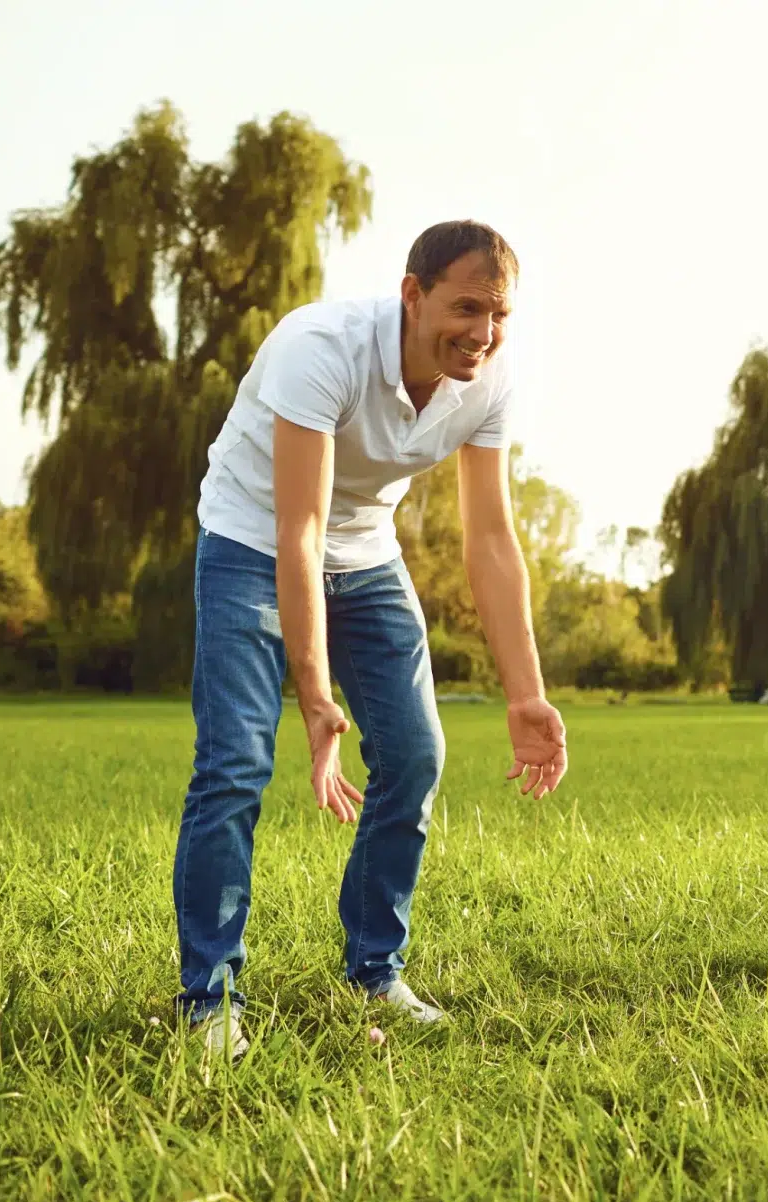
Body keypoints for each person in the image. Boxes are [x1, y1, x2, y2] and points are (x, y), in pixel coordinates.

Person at [174, 220, 569, 1062]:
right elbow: (300, 528)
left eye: (499, 315)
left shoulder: (487, 379)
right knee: (238, 762)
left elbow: (492, 538)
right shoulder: (319, 347)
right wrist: (314, 693)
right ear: (412, 294)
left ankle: (372, 969)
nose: (482, 333)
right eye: (466, 308)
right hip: (252, 541)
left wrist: (525, 691)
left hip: (365, 555)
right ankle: (208, 997)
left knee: (416, 755)